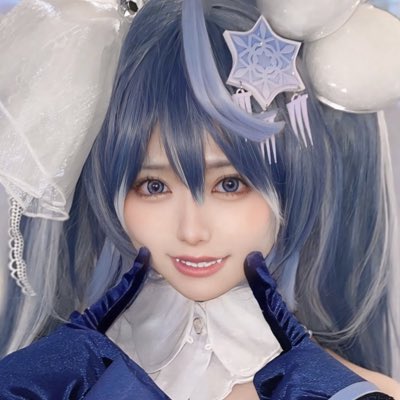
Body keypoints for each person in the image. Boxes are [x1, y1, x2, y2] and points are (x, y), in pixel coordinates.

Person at [0, 0, 399, 398]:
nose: (191, 231)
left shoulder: (357, 391)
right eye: (153, 186)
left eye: (230, 184)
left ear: (297, 178)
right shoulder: (51, 381)